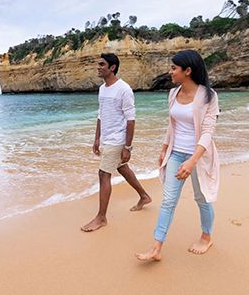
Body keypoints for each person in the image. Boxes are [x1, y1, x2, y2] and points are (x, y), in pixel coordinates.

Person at [135, 49, 220, 261]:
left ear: (188, 71)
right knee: (168, 201)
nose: (170, 71)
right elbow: (172, 125)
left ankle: (206, 236)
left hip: (199, 156)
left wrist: (192, 160)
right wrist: (164, 148)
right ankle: (156, 247)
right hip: (175, 154)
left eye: (174, 68)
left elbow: (208, 131)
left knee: (202, 199)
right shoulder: (173, 94)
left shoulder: (209, 96)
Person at [81, 53, 152, 232]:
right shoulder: (102, 89)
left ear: (112, 67)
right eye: (98, 64)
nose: (98, 67)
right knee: (122, 167)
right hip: (106, 138)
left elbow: (131, 119)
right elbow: (100, 115)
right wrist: (97, 138)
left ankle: (101, 218)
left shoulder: (124, 89)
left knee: (103, 174)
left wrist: (127, 147)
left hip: (117, 139)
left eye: (102, 64)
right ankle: (144, 196)